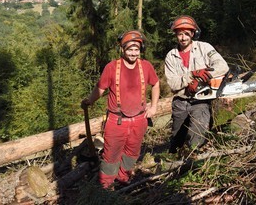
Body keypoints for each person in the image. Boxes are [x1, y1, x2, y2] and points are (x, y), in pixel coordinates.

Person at [81, 30, 160, 189]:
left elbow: (156, 84)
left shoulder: (145, 66)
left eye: (136, 49)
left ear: (140, 50)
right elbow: (100, 89)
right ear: (122, 49)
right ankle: (106, 187)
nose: (133, 53)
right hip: (116, 121)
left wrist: (154, 106)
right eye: (130, 49)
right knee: (111, 156)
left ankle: (123, 181)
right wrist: (89, 100)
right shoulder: (111, 67)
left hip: (139, 120)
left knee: (132, 153)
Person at [164, 15, 229, 154]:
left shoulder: (204, 48)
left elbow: (222, 66)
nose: (183, 38)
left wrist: (203, 78)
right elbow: (173, 84)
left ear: (193, 33)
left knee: (197, 135)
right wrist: (192, 75)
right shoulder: (171, 55)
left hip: (201, 100)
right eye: (180, 34)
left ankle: (193, 158)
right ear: (176, 34)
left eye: (186, 34)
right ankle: (173, 160)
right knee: (176, 139)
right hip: (180, 101)